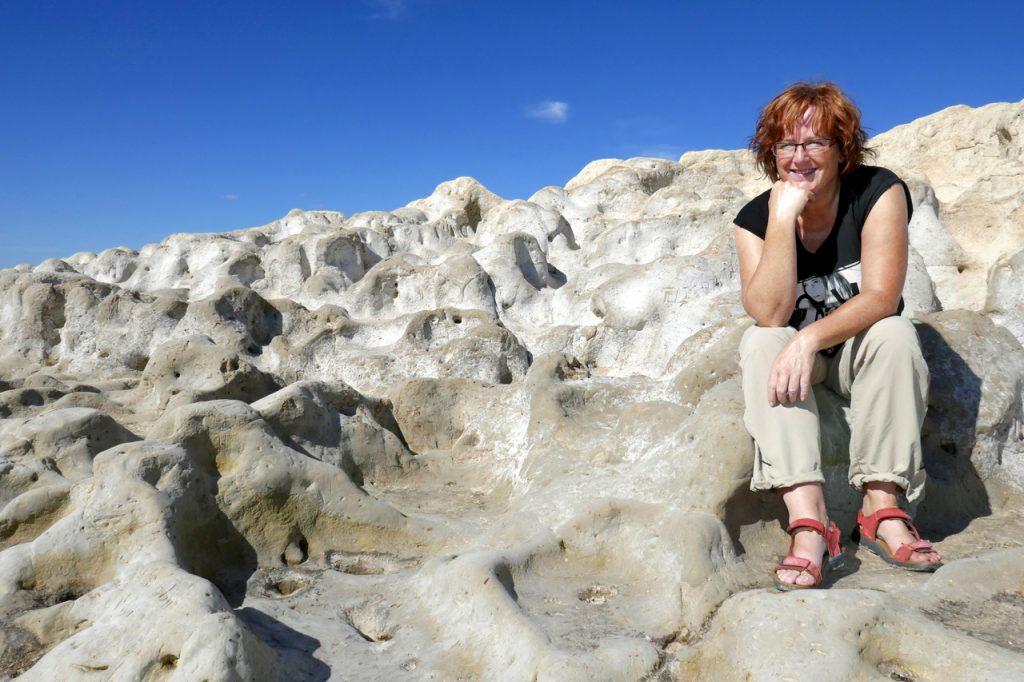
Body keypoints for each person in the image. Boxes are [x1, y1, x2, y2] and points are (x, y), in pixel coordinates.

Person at [734, 82, 942, 590]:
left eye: (815, 142)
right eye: (786, 144)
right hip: (799, 369)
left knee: (894, 332)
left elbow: (880, 295)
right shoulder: (753, 220)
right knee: (760, 341)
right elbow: (768, 312)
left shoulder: (877, 191)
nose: (799, 156)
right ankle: (811, 523)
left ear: (842, 147)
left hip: (858, 353)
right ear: (771, 152)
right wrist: (782, 221)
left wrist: (806, 340)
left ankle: (882, 508)